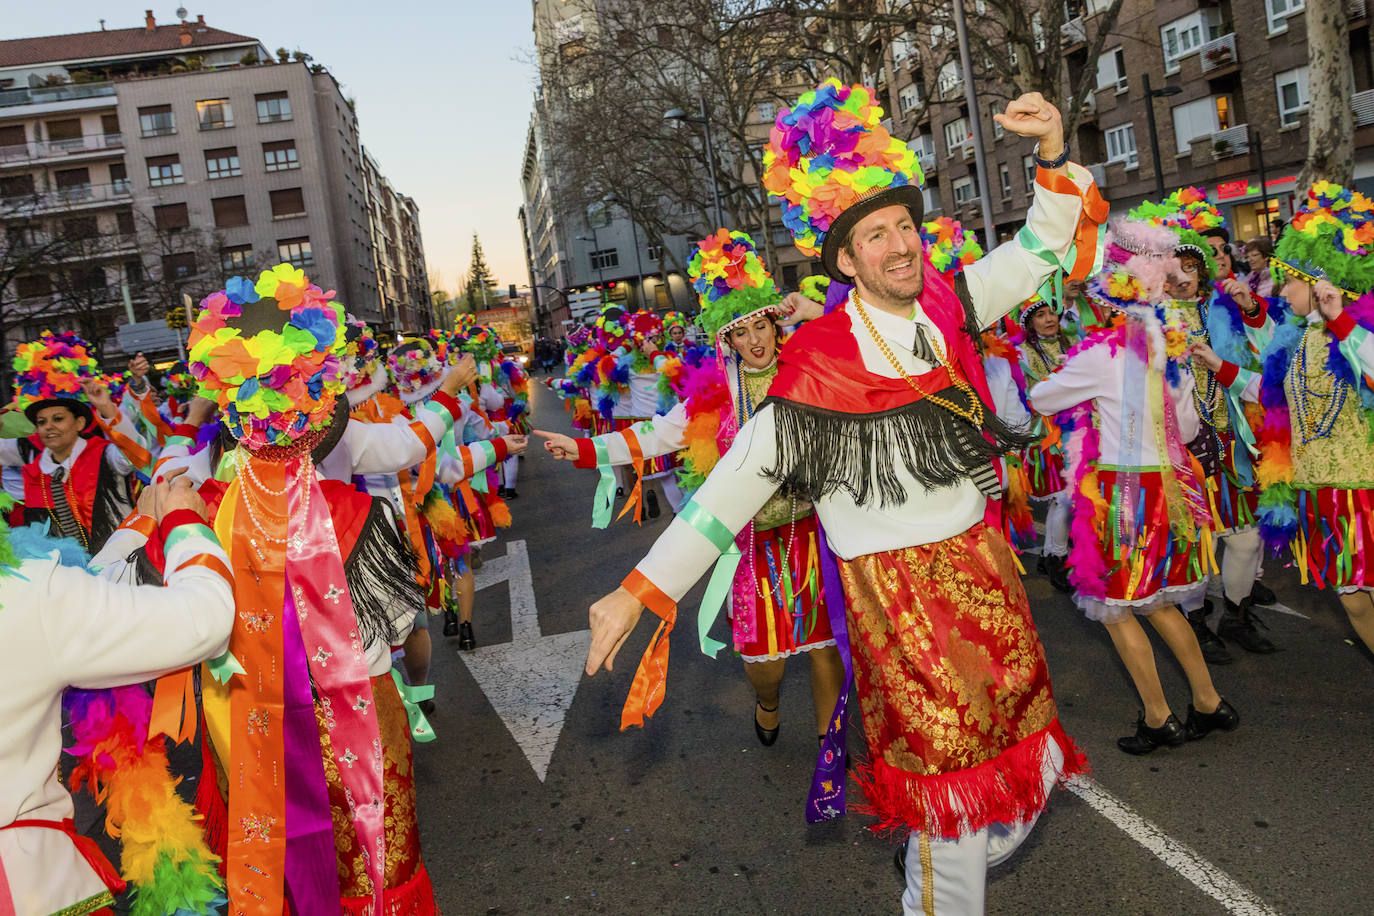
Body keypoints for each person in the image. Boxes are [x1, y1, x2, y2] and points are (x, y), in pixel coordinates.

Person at [584, 81, 1107, 914]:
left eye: (905, 226)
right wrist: (638, 590)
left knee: (1031, 761)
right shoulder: (815, 369)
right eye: (877, 235)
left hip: (988, 573)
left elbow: (1046, 248)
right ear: (845, 261)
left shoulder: (948, 306)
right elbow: (733, 484)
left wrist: (1050, 150)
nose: (900, 244)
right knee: (950, 820)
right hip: (900, 605)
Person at [184, 265, 438, 913]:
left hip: (249, 728)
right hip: (359, 723)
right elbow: (398, 625)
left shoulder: (203, 515)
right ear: (319, 420)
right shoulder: (356, 513)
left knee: (286, 868)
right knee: (375, 866)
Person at [538, 229, 843, 761]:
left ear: (776, 323)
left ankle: (829, 746)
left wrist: (814, 308)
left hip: (819, 534)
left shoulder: (809, 373)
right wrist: (584, 450)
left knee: (828, 647)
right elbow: (652, 435)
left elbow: (859, 341)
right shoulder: (713, 395)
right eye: (740, 331)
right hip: (753, 545)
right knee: (764, 664)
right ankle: (767, 705)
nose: (755, 340)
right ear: (724, 340)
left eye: (762, 325)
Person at [0, 413, 234, 916]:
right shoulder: (24, 592)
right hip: (26, 882)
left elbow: (81, 601)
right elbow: (203, 620)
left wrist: (136, 525)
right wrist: (183, 525)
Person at [1029, 219, 1239, 754]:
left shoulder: (1104, 354)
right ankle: (1210, 702)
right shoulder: (1172, 347)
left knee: (1118, 607)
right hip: (1172, 490)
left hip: (1126, 496)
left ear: (1112, 303)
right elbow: (1190, 429)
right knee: (1159, 603)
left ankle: (1159, 716)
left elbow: (1042, 398)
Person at [1197, 182, 1374, 653]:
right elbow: (1274, 396)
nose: (1280, 289)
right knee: (1353, 598)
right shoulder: (1295, 338)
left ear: (1318, 286)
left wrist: (1341, 320)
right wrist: (1216, 365)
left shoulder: (1355, 330)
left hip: (1364, 495)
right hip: (1320, 493)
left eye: (1289, 280)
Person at [8, 332, 149, 554]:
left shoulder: (107, 456)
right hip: (66, 575)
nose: (49, 427)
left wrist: (107, 407)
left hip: (120, 566)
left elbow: (137, 453)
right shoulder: (33, 464)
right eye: (42, 422)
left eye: (58, 419)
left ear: (80, 423)